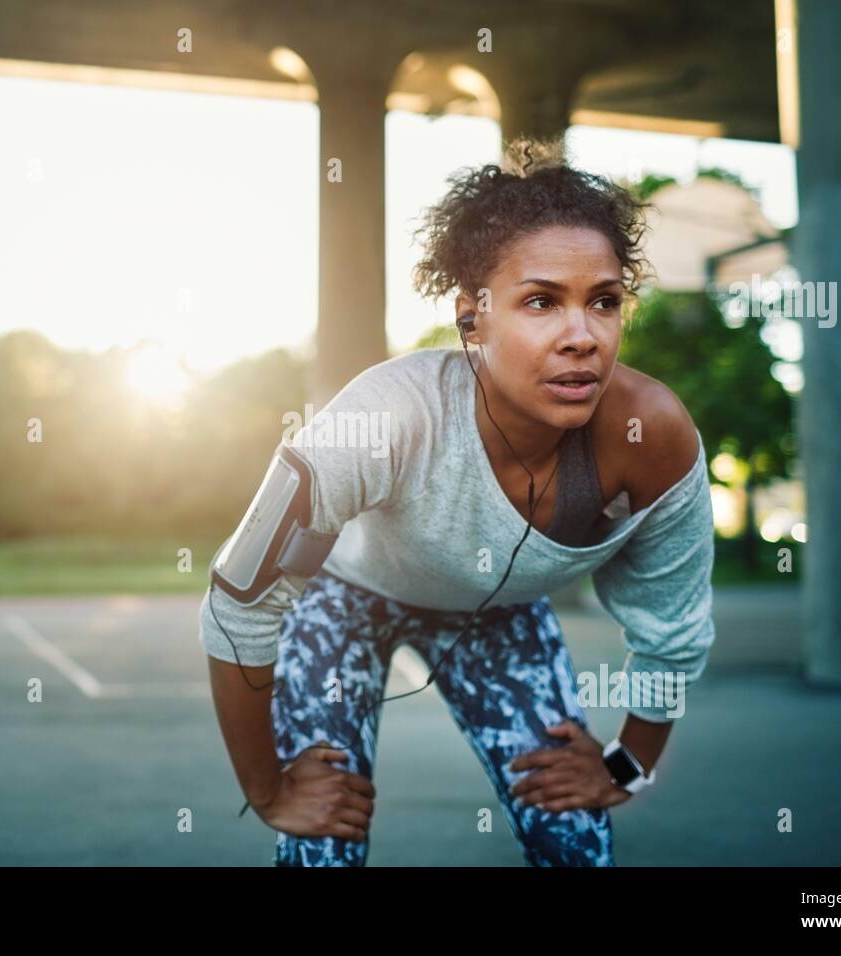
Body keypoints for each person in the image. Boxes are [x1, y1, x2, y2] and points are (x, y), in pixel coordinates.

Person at [198, 135, 716, 867]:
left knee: (574, 839)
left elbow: (673, 626)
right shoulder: (388, 416)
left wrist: (628, 763)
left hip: (496, 616)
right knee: (321, 846)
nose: (582, 336)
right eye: (541, 301)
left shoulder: (650, 435)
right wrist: (268, 790)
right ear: (474, 315)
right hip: (347, 598)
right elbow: (240, 596)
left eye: (602, 302)